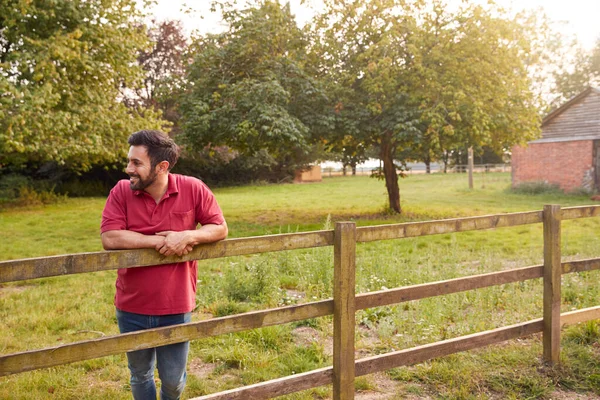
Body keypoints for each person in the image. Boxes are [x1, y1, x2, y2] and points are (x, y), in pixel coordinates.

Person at [100, 129, 228, 400]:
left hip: (176, 304)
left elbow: (219, 228)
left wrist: (188, 235)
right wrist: (157, 242)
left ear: (162, 166)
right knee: (140, 374)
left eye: (136, 163)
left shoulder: (193, 188)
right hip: (131, 305)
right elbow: (110, 237)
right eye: (129, 161)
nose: (128, 169)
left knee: (172, 381)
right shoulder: (122, 191)